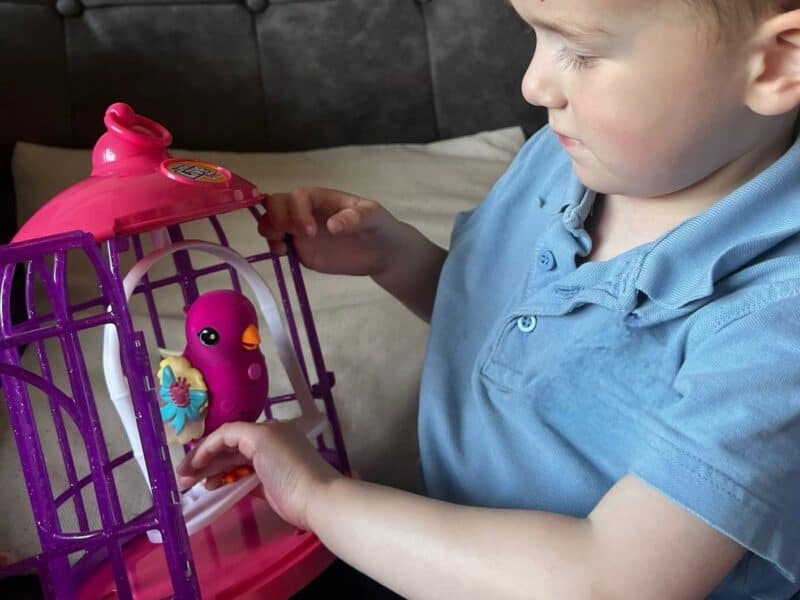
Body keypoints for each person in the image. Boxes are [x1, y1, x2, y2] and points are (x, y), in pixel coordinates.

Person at [177, 1, 800, 597]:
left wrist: (322, 499)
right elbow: (522, 335)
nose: (534, 84)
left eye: (579, 50)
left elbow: (611, 581)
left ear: (776, 63)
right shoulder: (564, 162)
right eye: (534, 34)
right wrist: (397, 259)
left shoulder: (777, 320)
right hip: (430, 550)